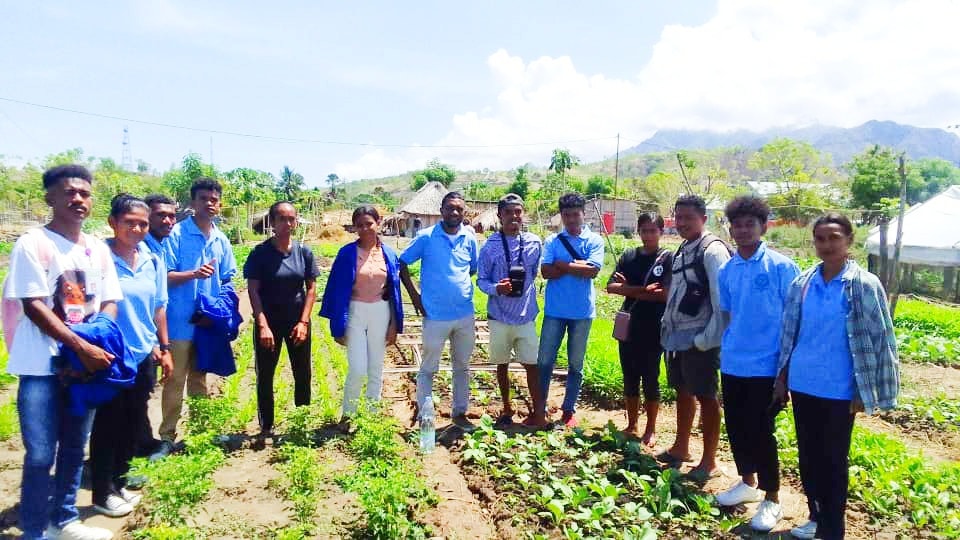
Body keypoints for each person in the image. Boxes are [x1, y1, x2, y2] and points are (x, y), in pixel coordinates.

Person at [4, 164, 121, 540]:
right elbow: (34, 305)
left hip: (82, 368)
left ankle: (65, 520)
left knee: (74, 446)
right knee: (40, 454)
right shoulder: (33, 243)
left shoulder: (96, 250)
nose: (77, 199)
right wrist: (81, 347)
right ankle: (35, 531)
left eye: (84, 193)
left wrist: (94, 343)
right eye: (69, 192)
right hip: (42, 368)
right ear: (50, 197)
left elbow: (109, 302)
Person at [773, 213, 899, 540]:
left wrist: (864, 390)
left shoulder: (863, 285)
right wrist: (782, 377)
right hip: (803, 384)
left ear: (848, 241)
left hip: (839, 389)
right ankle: (816, 516)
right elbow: (790, 335)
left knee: (832, 460)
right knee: (808, 456)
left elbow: (880, 339)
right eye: (821, 239)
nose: (827, 245)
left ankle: (832, 529)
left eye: (834, 238)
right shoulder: (802, 284)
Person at [714, 196, 799, 532]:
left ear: (764, 226)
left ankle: (772, 499)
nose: (743, 230)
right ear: (731, 229)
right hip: (734, 361)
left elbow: (793, 321)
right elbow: (731, 315)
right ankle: (747, 483)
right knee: (736, 426)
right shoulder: (727, 269)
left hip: (767, 366)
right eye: (737, 224)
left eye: (750, 223)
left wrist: (784, 372)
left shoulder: (781, 267)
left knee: (762, 432)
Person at [89, 195, 173, 518]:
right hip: (109, 358)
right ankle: (101, 491)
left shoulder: (153, 260)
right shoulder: (99, 258)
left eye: (142, 223)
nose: (137, 228)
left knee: (133, 423)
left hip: (142, 355)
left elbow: (159, 307)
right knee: (107, 425)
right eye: (130, 222)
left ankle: (119, 482)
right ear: (113, 223)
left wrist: (163, 348)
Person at [154, 177, 237, 459]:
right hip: (178, 323)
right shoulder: (176, 235)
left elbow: (228, 278)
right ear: (193, 203)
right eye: (204, 199)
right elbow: (163, 278)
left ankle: (202, 433)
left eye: (214, 199)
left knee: (200, 379)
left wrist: (220, 309)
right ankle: (167, 437)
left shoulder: (220, 239)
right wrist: (193, 274)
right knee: (175, 380)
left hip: (205, 324)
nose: (210, 204)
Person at [658, 194, 732, 481]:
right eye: (679, 217)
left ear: (703, 218)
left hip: (701, 338)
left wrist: (706, 339)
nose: (683, 223)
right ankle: (681, 447)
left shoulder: (712, 251)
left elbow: (721, 302)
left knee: (707, 396)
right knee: (683, 391)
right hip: (678, 337)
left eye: (689, 218)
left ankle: (709, 462)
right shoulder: (683, 249)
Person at [399, 192, 479, 430]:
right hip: (434, 315)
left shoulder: (470, 238)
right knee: (428, 368)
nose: (455, 213)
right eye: (450, 208)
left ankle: (460, 413)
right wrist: (415, 297)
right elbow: (401, 264)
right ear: (442, 210)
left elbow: (471, 270)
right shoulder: (426, 237)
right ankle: (425, 417)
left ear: (464, 213)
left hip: (464, 314)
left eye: (459, 209)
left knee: (462, 366)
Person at [320, 205, 403, 420]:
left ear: (378, 223)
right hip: (355, 312)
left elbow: (394, 291)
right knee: (357, 368)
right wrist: (336, 325)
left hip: (380, 312)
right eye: (360, 225)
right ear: (354, 228)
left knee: (376, 367)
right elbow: (335, 289)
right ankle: (348, 415)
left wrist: (394, 324)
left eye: (369, 224)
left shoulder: (389, 254)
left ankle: (371, 416)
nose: (365, 229)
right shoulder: (347, 253)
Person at [244, 201, 318, 438]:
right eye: (281, 219)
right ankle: (266, 425)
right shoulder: (260, 254)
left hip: (297, 322)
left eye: (291, 219)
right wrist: (262, 324)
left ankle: (301, 419)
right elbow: (253, 290)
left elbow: (311, 289)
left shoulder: (304, 252)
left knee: (302, 370)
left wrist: (303, 322)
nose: (287, 224)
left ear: (296, 221)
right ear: (272, 223)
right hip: (269, 323)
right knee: (265, 374)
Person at [476, 194, 547, 428]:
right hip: (499, 316)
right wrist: (497, 288)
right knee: (502, 363)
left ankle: (538, 413)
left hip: (525, 314)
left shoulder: (534, 243)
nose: (514, 217)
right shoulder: (489, 247)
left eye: (518, 212)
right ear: (500, 215)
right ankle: (506, 408)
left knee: (531, 364)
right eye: (508, 212)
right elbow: (481, 281)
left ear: (523, 214)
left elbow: (536, 272)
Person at [537, 192, 604, 428]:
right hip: (555, 311)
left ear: (583, 214)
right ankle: (540, 406)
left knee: (576, 364)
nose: (572, 219)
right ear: (562, 216)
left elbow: (593, 271)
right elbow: (545, 272)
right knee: (544, 361)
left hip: (582, 313)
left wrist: (562, 265)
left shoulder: (594, 240)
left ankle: (568, 410)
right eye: (567, 215)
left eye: (576, 214)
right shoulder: (552, 241)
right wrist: (578, 265)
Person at [606, 212, 673, 445]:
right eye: (644, 230)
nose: (648, 235)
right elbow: (611, 287)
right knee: (630, 376)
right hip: (629, 326)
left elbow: (666, 294)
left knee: (651, 378)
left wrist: (628, 288)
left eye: (653, 230)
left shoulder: (667, 259)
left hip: (654, 327)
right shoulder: (629, 255)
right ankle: (632, 424)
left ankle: (651, 429)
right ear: (638, 231)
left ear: (661, 233)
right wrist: (643, 291)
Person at [131, 193, 176, 457]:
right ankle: (130, 456)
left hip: (148, 338)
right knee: (128, 402)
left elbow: (159, 304)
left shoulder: (157, 249)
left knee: (140, 397)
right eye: (161, 215)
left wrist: (162, 344)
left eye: (171, 215)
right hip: (133, 341)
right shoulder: (138, 250)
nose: (168, 221)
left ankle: (143, 446)